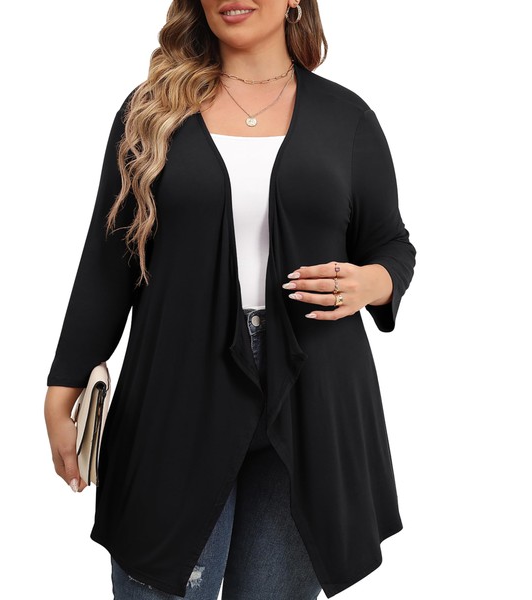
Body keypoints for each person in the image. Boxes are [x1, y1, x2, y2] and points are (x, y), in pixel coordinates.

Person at [44, 1, 416, 598]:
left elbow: (391, 244)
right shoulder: (151, 112)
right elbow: (108, 263)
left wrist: (372, 282)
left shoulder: (346, 118)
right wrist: (63, 386)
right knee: (162, 579)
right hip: (175, 390)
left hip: (313, 398)